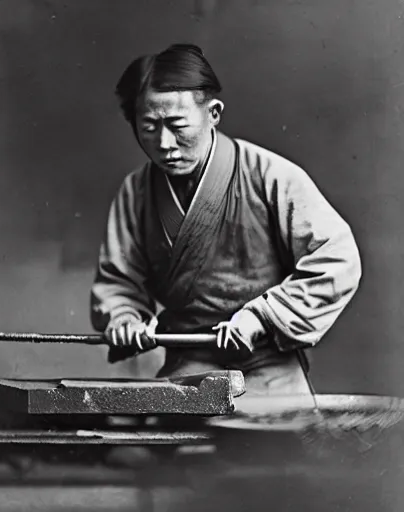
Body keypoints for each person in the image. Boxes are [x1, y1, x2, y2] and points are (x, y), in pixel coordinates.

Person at [90, 43, 362, 407]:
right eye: (149, 127)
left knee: (280, 456)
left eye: (176, 125)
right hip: (189, 365)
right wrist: (124, 317)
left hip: (269, 364)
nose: (164, 143)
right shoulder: (135, 191)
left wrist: (263, 316)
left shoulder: (271, 175)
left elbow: (338, 259)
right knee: (163, 457)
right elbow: (118, 280)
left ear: (213, 113)